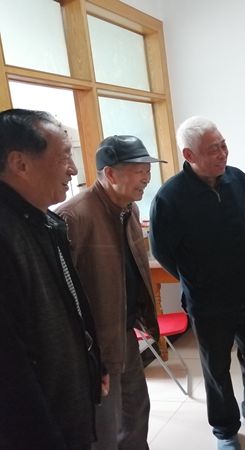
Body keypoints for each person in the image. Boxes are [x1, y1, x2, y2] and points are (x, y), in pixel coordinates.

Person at [149, 116, 245, 450]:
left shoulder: (237, 179)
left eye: (224, 145)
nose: (223, 153)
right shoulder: (169, 198)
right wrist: (197, 278)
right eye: (213, 149)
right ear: (189, 155)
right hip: (207, 300)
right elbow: (162, 252)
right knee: (216, 367)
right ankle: (225, 429)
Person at [0, 108, 104, 449]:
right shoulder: (6, 235)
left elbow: (73, 306)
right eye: (64, 157)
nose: (73, 169)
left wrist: (93, 364)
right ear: (20, 163)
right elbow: (10, 365)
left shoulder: (46, 221)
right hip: (39, 426)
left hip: (68, 401)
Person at [56, 135, 164, 450]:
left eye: (148, 170)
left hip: (125, 333)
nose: (146, 177)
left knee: (136, 411)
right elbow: (63, 296)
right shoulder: (73, 216)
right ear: (110, 174)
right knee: (105, 425)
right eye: (138, 170)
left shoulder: (129, 209)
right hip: (94, 345)